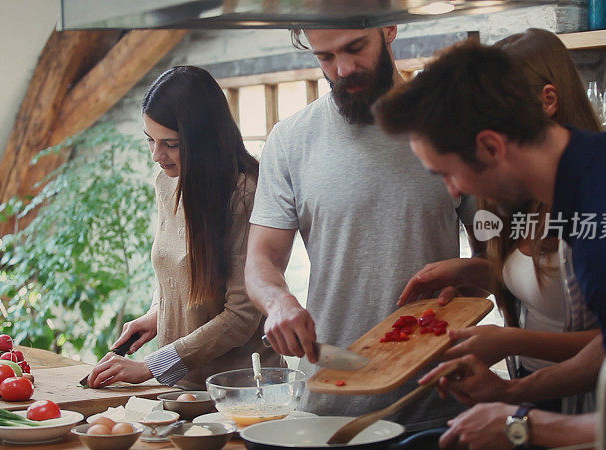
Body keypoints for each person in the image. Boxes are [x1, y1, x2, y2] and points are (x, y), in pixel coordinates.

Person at [373, 40, 606, 448]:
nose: (453, 192)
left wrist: (518, 425)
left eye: (446, 174)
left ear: (491, 146)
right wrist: (510, 392)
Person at [245, 26, 479, 430]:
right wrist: (278, 302)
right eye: (325, 57)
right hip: (327, 403)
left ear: (389, 28)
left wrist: (468, 283)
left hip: (433, 405)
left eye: (356, 48)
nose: (344, 68)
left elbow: (500, 255)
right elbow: (260, 259)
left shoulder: (452, 127)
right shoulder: (290, 139)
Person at [397, 29, 602, 414]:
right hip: (533, 389)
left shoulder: (596, 197)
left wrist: (509, 340)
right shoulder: (517, 193)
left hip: (588, 406)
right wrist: (471, 271)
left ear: (549, 102)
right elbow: (541, 284)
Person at [86, 66, 283, 390]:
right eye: (150, 140)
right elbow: (178, 268)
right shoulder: (167, 183)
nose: (155, 155)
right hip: (184, 389)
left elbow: (240, 318)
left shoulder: (245, 194)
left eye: (171, 144)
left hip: (242, 390)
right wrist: (157, 313)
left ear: (204, 140)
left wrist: (151, 365)